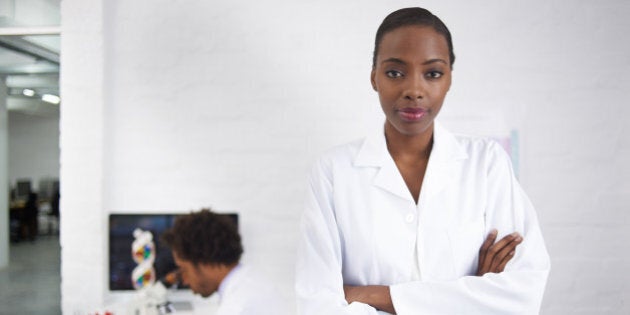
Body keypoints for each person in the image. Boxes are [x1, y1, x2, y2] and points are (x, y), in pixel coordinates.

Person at [296, 7, 550, 314]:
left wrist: (374, 295)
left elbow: (522, 294)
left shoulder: (486, 164)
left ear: (449, 80)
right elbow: (318, 305)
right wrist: (470, 294)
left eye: (432, 73)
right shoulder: (333, 173)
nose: (414, 90)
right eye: (394, 73)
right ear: (374, 77)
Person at [161, 209, 288, 315]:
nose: (184, 280)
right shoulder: (252, 282)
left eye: (184, 269)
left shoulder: (238, 306)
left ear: (204, 262)